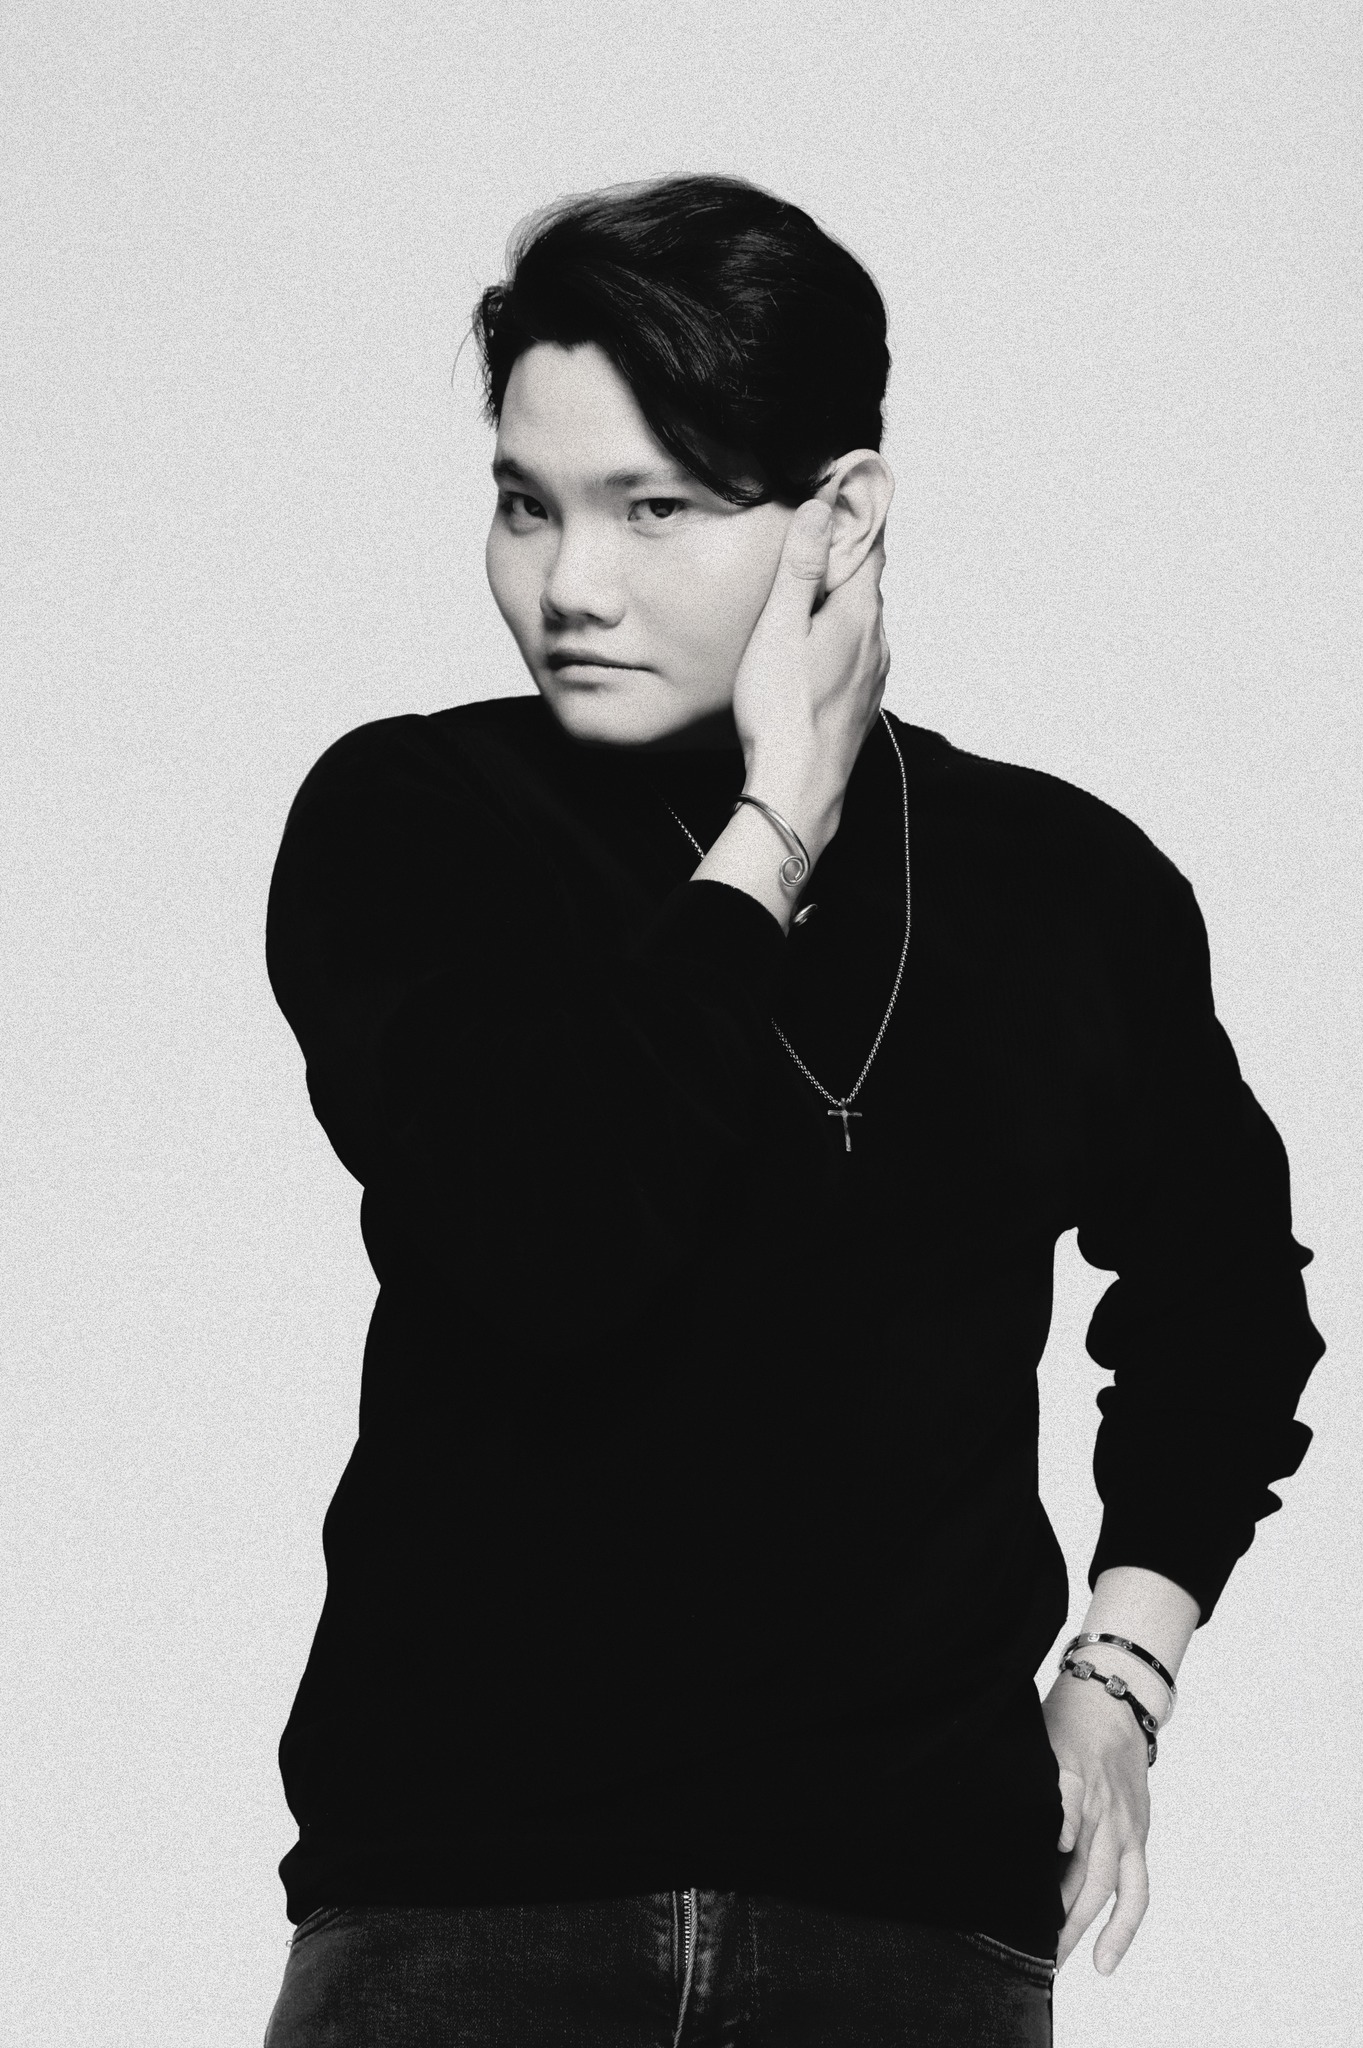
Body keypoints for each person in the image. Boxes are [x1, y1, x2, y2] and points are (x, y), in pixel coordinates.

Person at [260, 175, 1324, 2046]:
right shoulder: (414, 828)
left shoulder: (1065, 886)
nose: (570, 586)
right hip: (471, 1919)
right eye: (527, 504)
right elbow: (557, 1246)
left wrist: (1124, 1673)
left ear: (840, 516)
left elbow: (1229, 1305)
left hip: (904, 1937)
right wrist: (772, 835)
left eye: (654, 508)